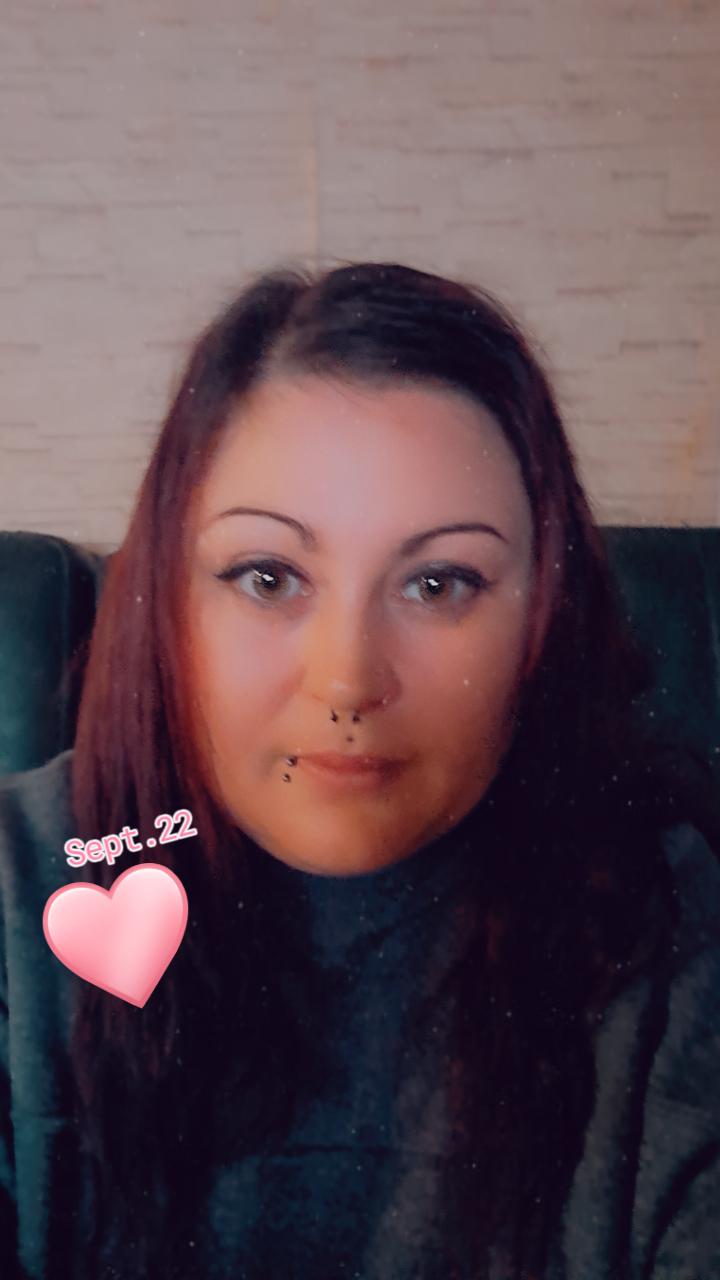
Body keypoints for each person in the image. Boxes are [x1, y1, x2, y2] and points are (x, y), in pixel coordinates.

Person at [0, 260, 719, 1280]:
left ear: (544, 621)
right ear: (170, 603)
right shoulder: (26, 881)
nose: (347, 679)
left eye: (439, 583)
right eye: (268, 577)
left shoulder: (666, 912)